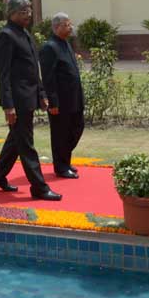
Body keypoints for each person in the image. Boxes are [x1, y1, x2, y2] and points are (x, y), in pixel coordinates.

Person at [0, 0, 62, 201]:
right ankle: (39, 187)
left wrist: (41, 93)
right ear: (11, 13)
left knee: (16, 140)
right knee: (26, 144)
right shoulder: (6, 36)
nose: (28, 14)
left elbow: (32, 68)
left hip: (30, 97)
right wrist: (8, 106)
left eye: (29, 10)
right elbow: (2, 75)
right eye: (23, 11)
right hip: (17, 100)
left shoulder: (25, 34)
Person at [39, 12, 84, 179]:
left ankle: (64, 159)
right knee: (60, 134)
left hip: (74, 98)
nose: (70, 27)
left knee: (77, 128)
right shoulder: (49, 47)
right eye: (67, 25)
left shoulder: (65, 43)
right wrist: (52, 102)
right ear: (57, 27)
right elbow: (48, 77)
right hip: (60, 100)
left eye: (70, 24)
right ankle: (61, 167)